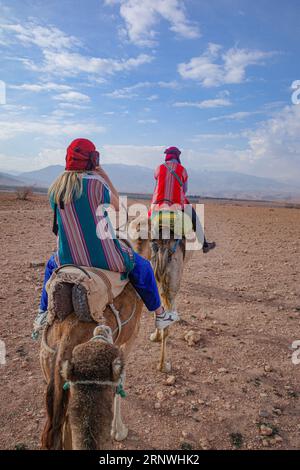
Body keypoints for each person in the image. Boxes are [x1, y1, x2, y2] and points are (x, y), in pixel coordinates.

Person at [33, 138, 178, 336]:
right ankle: (161, 315)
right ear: (93, 160)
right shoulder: (96, 184)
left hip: (67, 258)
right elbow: (122, 212)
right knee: (143, 267)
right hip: (104, 258)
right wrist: (105, 177)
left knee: (51, 266)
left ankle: (41, 314)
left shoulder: (55, 188)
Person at [150, 146, 216, 253]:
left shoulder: (158, 168)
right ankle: (204, 245)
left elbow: (157, 185)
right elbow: (184, 190)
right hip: (176, 206)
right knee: (194, 218)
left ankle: (148, 244)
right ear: (177, 156)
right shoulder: (182, 170)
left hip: (157, 205)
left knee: (147, 221)